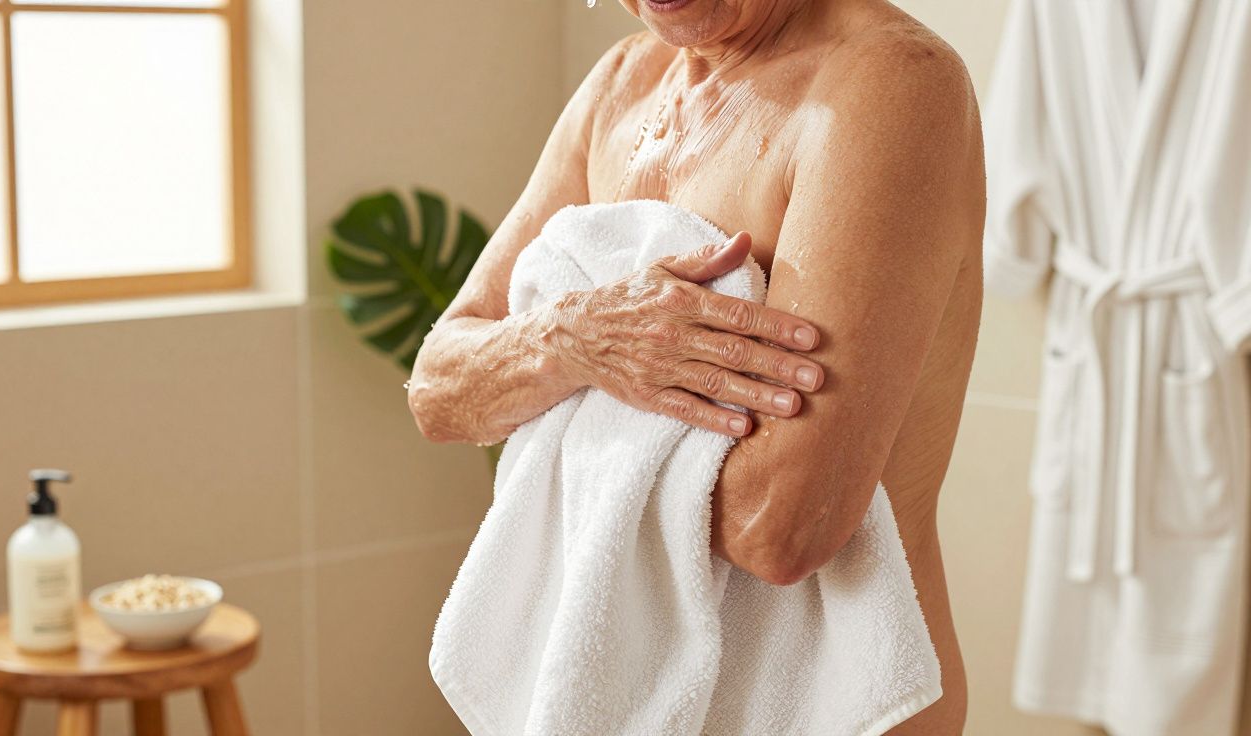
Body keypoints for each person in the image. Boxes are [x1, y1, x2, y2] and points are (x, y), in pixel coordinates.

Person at [408, 1, 983, 731]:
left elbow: (780, 525)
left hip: (835, 709)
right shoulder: (622, 83)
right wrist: (573, 336)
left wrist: (561, 384)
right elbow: (438, 391)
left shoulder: (889, 84)